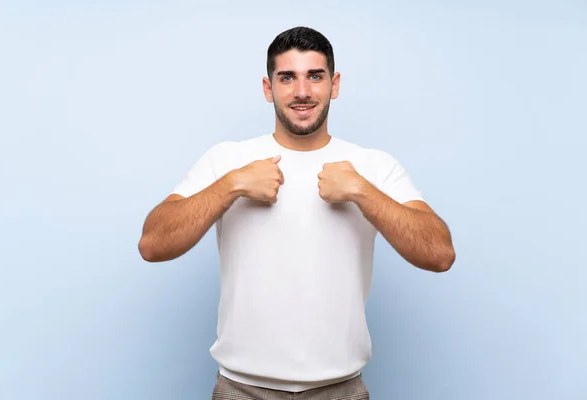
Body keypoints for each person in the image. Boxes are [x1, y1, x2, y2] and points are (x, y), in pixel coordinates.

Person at [138, 26, 456, 400]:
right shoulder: (227, 160)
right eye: (287, 77)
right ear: (267, 87)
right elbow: (152, 244)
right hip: (242, 388)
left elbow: (439, 254)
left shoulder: (372, 166)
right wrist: (230, 185)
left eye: (315, 77)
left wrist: (362, 191)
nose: (302, 92)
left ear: (334, 85)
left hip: (341, 388)